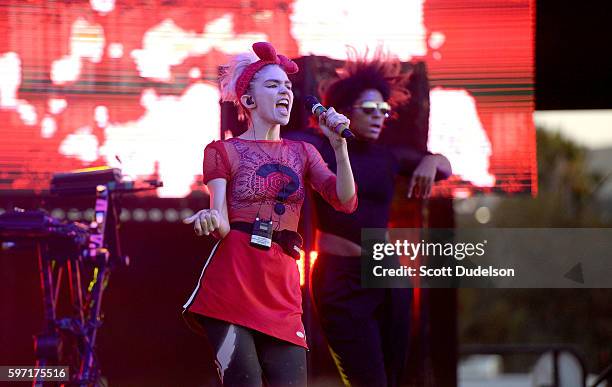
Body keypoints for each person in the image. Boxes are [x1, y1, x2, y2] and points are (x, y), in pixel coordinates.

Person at [181, 42, 358, 387]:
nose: (285, 92)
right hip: (232, 285)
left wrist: (340, 147)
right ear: (248, 101)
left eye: (288, 86)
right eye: (273, 85)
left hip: (282, 289)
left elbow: (345, 200)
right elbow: (220, 221)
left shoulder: (304, 151)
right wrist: (208, 220)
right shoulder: (223, 151)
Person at [285, 49, 452, 386]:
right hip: (339, 278)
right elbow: (278, 142)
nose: (379, 117)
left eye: (383, 110)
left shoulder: (388, 156)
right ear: (346, 111)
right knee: (368, 380)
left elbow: (445, 167)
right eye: (369, 110)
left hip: (388, 274)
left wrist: (432, 160)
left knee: (392, 378)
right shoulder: (318, 145)